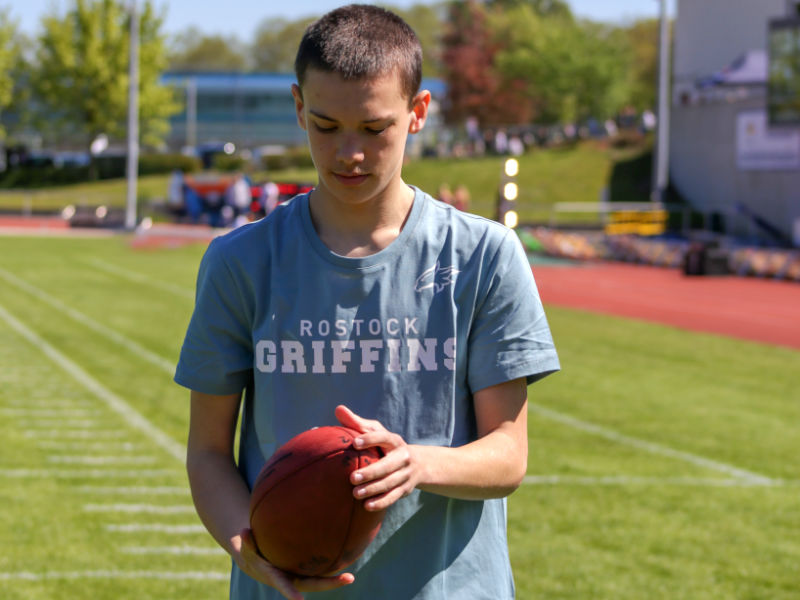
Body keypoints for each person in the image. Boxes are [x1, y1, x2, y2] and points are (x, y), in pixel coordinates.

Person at [175, 5, 559, 600]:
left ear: (418, 113)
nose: (348, 153)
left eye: (374, 129)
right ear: (299, 107)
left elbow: (507, 455)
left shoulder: (484, 254)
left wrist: (417, 464)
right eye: (326, 127)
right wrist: (247, 547)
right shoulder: (241, 261)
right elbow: (207, 452)